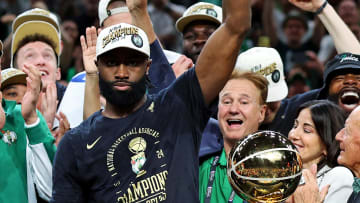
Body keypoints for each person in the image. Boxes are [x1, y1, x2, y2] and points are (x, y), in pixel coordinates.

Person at [51, 0, 252, 202]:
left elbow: (236, 26)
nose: (122, 72)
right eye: (112, 63)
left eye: (132, 62)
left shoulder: (178, 106)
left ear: (148, 66)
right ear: (97, 66)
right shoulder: (74, 144)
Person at [263, 0, 360, 136]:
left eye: (357, 78)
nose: (350, 81)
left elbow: (356, 60)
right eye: (340, 77)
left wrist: (323, 8)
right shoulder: (298, 112)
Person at [0, 40, 57, 203]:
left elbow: (52, 191)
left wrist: (32, 119)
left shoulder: (20, 117)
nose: (20, 99)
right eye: (12, 93)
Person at [199, 71, 268, 203]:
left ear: (262, 112)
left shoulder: (275, 173)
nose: (234, 109)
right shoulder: (198, 161)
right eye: (226, 101)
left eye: (244, 102)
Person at [288, 105, 360, 203]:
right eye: (294, 126)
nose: (293, 135)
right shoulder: (283, 172)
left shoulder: (339, 176)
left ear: (326, 144)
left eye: (307, 131)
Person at [10, 8, 66, 130]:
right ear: (15, 71)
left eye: (47, 55)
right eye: (30, 56)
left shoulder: (76, 106)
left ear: (58, 72)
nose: (40, 61)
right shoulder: (5, 114)